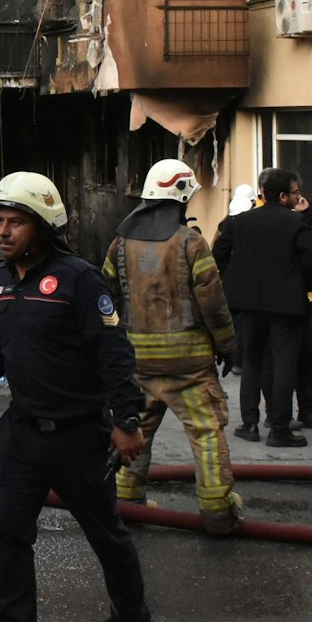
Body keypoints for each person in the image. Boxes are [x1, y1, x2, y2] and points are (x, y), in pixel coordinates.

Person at [0, 172, 153, 622]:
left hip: (78, 437)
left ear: (43, 226)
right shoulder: (3, 279)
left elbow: (114, 353)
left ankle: (131, 619)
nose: (3, 232)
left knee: (106, 534)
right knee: (7, 533)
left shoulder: (80, 280)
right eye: (0, 221)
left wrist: (126, 420)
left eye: (15, 222)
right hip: (22, 434)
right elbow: (3, 341)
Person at [104, 160, 240, 534]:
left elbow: (104, 297)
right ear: (181, 195)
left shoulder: (120, 243)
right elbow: (213, 302)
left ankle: (127, 505)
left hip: (137, 363)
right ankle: (217, 512)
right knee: (207, 433)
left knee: (134, 430)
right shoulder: (192, 243)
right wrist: (227, 345)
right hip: (190, 366)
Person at [213, 170, 312, 447]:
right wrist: (301, 285)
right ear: (283, 195)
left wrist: (235, 281)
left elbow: (218, 253)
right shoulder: (294, 223)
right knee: (284, 364)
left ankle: (249, 423)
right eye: (295, 192)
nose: (299, 196)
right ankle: (279, 428)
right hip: (286, 305)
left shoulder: (241, 221)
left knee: (251, 361)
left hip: (249, 303)